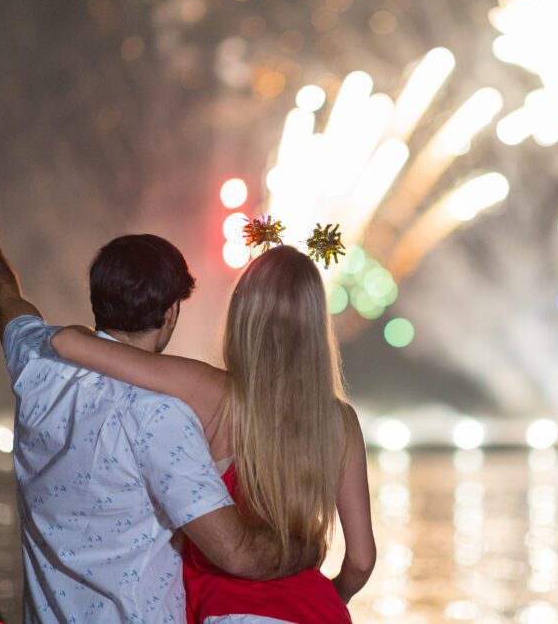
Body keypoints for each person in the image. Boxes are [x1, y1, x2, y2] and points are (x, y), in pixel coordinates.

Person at [0, 173, 315, 623]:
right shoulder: (160, 416)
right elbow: (237, 552)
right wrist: (303, 546)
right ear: (170, 313)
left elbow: (1, 295)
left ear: (97, 298)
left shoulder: (37, 366)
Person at [51, 242, 377, 623]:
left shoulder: (214, 393)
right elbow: (361, 560)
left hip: (231, 613)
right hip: (320, 610)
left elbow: (66, 343)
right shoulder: (341, 422)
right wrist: (326, 598)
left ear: (243, 315)